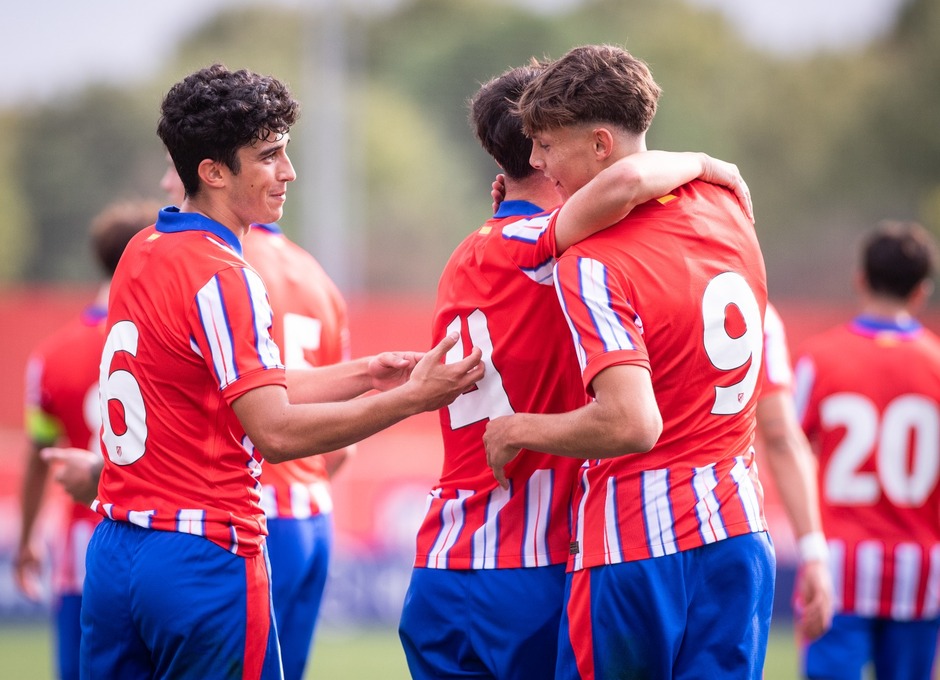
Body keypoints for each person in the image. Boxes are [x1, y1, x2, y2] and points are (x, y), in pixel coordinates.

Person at [80, 64, 484, 680]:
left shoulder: (143, 250)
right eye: (268, 156)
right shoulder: (227, 275)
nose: (288, 172)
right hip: (203, 556)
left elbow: (235, 387)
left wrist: (368, 374)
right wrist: (413, 400)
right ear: (213, 172)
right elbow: (277, 433)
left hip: (116, 553)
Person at [399, 61, 757, 679]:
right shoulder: (558, 248)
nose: (546, 157)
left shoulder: (478, 248)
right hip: (529, 564)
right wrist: (704, 165)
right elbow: (625, 183)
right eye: (539, 143)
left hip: (458, 553)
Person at [162, 155, 351, 680]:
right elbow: (343, 448)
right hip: (313, 514)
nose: (165, 187)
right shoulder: (318, 277)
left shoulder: (213, 265)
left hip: (247, 519)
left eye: (172, 176)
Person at [15, 199, 159, 680]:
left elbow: (41, 454)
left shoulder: (50, 357)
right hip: (160, 541)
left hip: (82, 555)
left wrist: (29, 538)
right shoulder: (169, 342)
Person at [792, 220, 940, 680]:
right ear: (922, 292)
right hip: (921, 573)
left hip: (839, 569)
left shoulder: (819, 359)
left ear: (860, 280)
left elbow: (788, 447)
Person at [759, 303, 834, 641]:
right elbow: (783, 438)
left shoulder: (599, 276)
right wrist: (813, 553)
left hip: (621, 534)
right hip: (728, 530)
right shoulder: (755, 305)